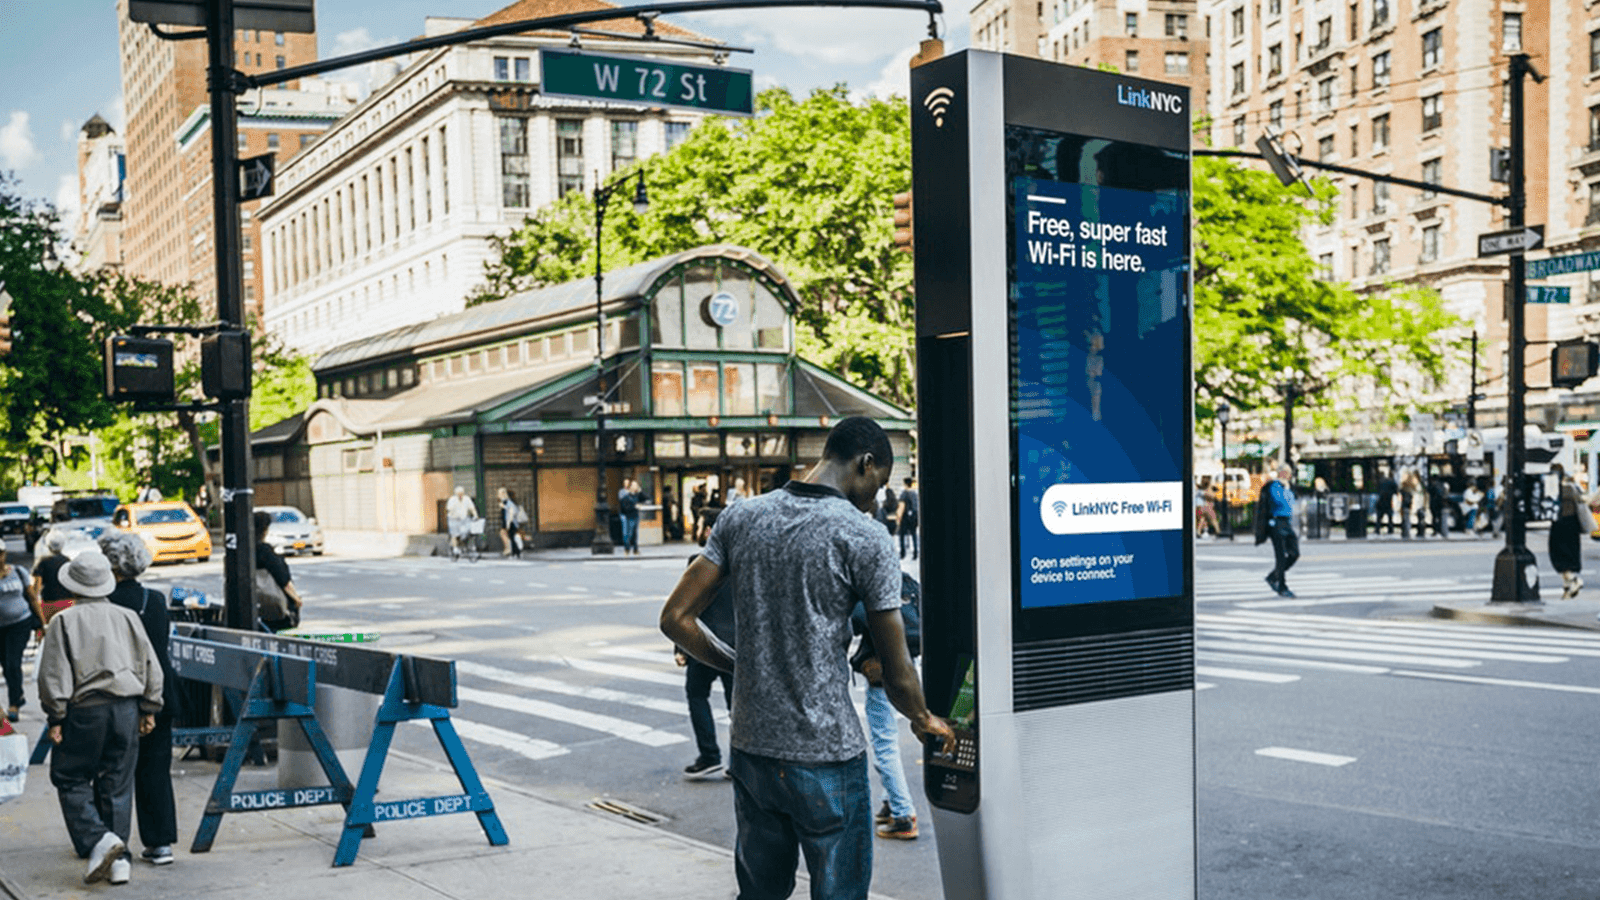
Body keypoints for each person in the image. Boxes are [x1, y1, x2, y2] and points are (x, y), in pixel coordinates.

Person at [660, 416, 954, 900]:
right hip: (826, 754)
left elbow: (675, 618)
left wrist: (738, 664)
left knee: (759, 893)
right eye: (878, 484)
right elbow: (897, 668)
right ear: (865, 464)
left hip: (753, 746)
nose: (876, 500)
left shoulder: (741, 517)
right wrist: (924, 720)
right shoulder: (864, 537)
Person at [36, 550, 163, 886]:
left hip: (85, 710)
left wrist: (56, 717)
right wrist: (150, 707)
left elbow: (53, 675)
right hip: (127, 708)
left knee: (70, 777)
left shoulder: (63, 621)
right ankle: (118, 860)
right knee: (117, 783)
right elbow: (149, 664)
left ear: (73, 586)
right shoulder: (127, 617)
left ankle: (98, 838)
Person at [99, 531, 178, 867]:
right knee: (156, 768)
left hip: (117, 695)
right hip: (159, 693)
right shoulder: (155, 600)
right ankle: (160, 842)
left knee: (111, 771)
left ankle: (111, 841)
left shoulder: (101, 604)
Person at [849, 573, 922, 841]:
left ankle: (904, 815)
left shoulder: (870, 583)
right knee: (891, 740)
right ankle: (891, 803)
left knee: (884, 744)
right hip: (911, 665)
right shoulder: (907, 581)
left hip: (882, 672)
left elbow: (856, 623)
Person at [676, 551, 734, 779]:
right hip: (737, 645)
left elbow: (685, 607)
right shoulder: (745, 559)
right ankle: (737, 763)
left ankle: (710, 756)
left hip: (705, 644)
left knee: (697, 694)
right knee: (736, 706)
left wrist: (681, 647)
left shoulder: (699, 561)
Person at [0, 549, 43, 723]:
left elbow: (32, 597)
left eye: (1, 554)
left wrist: (42, 621)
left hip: (20, 623)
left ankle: (14, 704)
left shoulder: (18, 571)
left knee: (12, 662)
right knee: (6, 664)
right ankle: (18, 696)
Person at [1254, 464, 1299, 598]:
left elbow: (1291, 502)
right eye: (1286, 472)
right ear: (1281, 473)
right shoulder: (1274, 486)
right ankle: (1282, 586)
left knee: (1294, 553)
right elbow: (1280, 502)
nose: (1288, 475)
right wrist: (1285, 488)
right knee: (1280, 556)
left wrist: (1287, 488)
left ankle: (1273, 576)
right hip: (1276, 522)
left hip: (1286, 522)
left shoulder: (1287, 487)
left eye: (1289, 473)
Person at [254, 511, 303, 632]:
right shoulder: (265, 552)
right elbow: (283, 580)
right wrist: (296, 599)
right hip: (272, 611)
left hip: (251, 607)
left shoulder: (241, 551)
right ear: (265, 531)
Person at [1550, 465, 1586, 598]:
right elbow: (1580, 499)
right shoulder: (1570, 487)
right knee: (1566, 557)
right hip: (1570, 525)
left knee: (1560, 557)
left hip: (1561, 524)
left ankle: (1571, 582)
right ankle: (1569, 585)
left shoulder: (1560, 489)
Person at [33, 529, 74, 625]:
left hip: (49, 603)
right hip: (68, 602)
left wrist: (34, 604)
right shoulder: (68, 561)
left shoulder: (42, 562)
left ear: (48, 544)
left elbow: (36, 586)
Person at [446, 486, 478, 557]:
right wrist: (454, 512)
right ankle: (455, 548)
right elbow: (449, 509)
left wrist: (475, 515)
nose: (460, 495)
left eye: (461, 494)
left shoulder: (467, 499)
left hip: (464, 519)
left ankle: (465, 544)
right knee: (454, 533)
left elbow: (472, 508)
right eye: (458, 494)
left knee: (466, 531)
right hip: (453, 519)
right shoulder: (452, 500)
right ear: (456, 494)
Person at [497, 488, 526, 559]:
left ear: (504, 494)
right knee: (511, 538)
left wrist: (508, 523)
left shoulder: (508, 502)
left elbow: (511, 512)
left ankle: (514, 553)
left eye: (500, 494)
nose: (498, 495)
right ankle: (516, 552)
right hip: (509, 523)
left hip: (511, 523)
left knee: (512, 538)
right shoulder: (504, 502)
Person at [897, 477, 920, 560]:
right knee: (913, 535)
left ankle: (903, 553)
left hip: (905, 518)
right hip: (914, 516)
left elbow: (901, 506)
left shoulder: (904, 493)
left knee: (902, 535)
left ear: (905, 484)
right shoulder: (915, 494)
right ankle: (915, 553)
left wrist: (898, 518)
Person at [618, 479, 643, 556]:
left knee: (634, 533)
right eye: (625, 483)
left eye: (628, 483)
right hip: (624, 515)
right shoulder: (622, 492)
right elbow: (623, 502)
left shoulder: (633, 493)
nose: (627, 484)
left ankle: (634, 549)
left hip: (633, 515)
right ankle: (627, 548)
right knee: (626, 533)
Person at [1374, 472, 1398, 536]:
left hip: (1381, 501)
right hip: (1388, 501)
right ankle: (1390, 530)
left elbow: (1377, 490)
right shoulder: (1392, 482)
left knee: (1379, 517)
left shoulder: (1381, 482)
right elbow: (1396, 491)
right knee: (1390, 517)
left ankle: (1377, 529)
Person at [1427, 474, 1449, 538]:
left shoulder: (1432, 485)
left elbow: (1428, 491)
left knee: (1434, 517)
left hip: (1434, 503)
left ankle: (1435, 531)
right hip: (1441, 503)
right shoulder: (1443, 484)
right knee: (1441, 517)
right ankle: (1441, 531)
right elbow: (1446, 492)